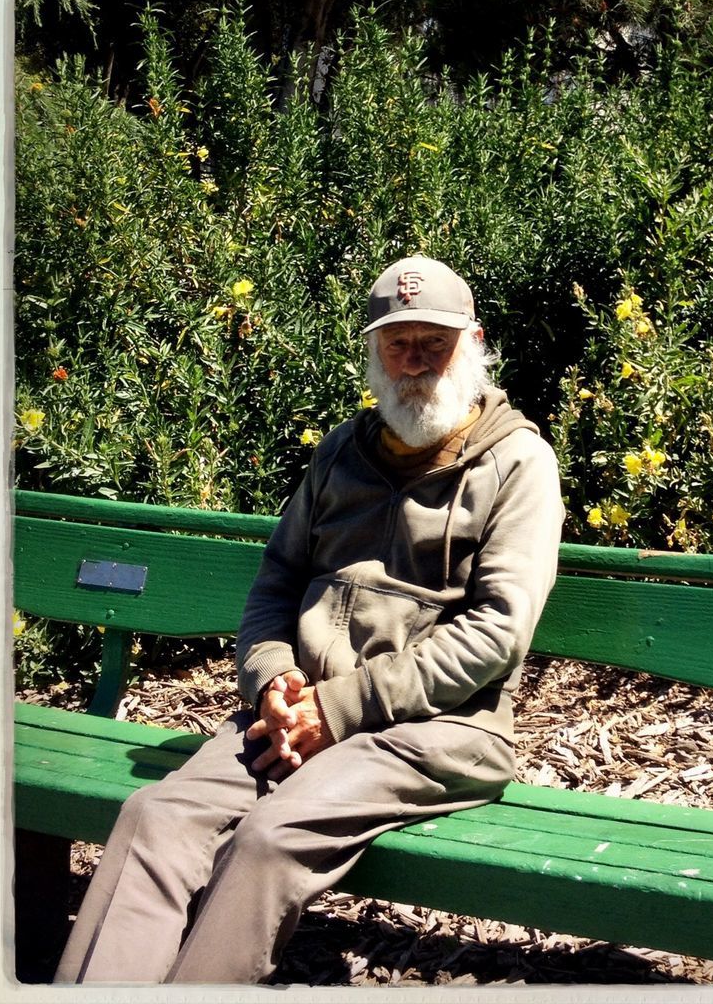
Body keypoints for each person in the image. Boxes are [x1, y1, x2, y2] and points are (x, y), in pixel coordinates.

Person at [55, 256, 565, 983]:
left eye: (435, 343)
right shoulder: (340, 454)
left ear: (474, 343)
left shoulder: (519, 464)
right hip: (298, 712)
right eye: (398, 344)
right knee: (154, 818)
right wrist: (272, 677)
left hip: (440, 730)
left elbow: (495, 632)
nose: (415, 363)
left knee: (267, 838)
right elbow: (276, 583)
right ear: (373, 353)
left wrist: (337, 707)